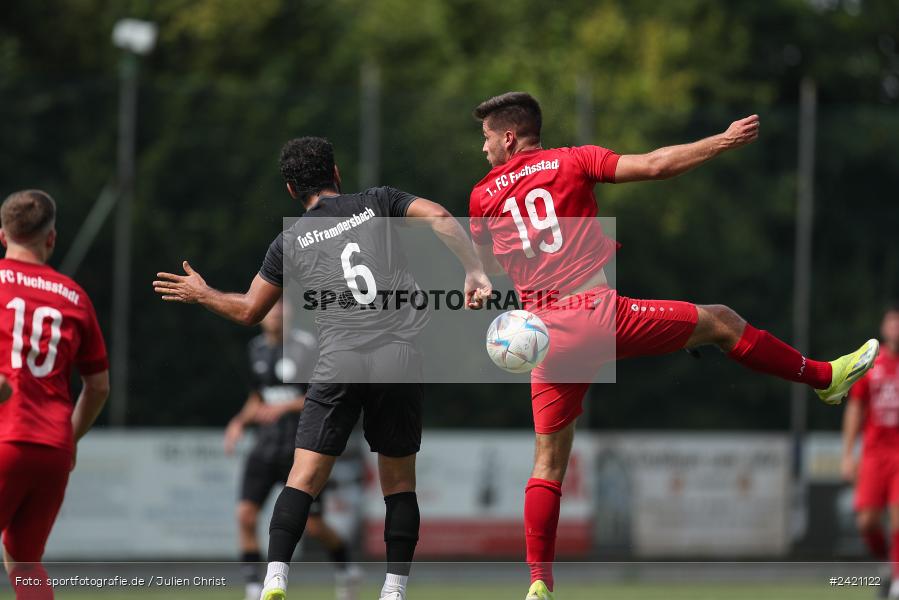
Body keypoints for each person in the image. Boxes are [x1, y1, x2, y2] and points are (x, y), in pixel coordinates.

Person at [467, 92, 879, 600]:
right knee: (721, 321)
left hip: (544, 339)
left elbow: (489, 261)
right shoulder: (573, 160)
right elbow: (657, 165)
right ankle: (824, 378)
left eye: (486, 138)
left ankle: (538, 582)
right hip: (594, 315)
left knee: (548, 463)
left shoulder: (481, 196)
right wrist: (722, 141)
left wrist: (475, 280)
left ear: (509, 137)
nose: (484, 148)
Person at [153, 136, 491, 600]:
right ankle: (393, 590)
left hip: (339, 359)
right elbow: (439, 216)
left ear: (292, 190)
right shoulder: (378, 201)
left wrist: (202, 293)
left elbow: (250, 310)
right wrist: (473, 269)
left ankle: (274, 578)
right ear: (336, 173)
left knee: (304, 477)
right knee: (398, 482)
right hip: (396, 356)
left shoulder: (289, 240)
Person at [0, 190, 110, 600]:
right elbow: (98, 386)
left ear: (2, 235)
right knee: (25, 560)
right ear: (51, 238)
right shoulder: (74, 296)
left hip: (6, 436)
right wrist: (72, 437)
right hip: (53, 447)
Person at [225, 299, 361, 600]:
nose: (275, 313)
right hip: (265, 447)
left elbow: (324, 392)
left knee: (314, 526)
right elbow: (258, 397)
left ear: (290, 313)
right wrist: (239, 421)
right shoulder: (256, 349)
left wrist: (284, 406)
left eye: (281, 307)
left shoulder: (307, 346)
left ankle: (347, 569)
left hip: (301, 448)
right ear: (261, 315)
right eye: (271, 308)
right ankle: (253, 587)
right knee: (245, 515)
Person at [843, 305, 899, 599]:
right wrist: (847, 454)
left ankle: (897, 581)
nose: (896, 327)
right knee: (867, 522)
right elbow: (855, 409)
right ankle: (889, 565)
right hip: (874, 454)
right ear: (883, 328)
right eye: (892, 322)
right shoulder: (871, 365)